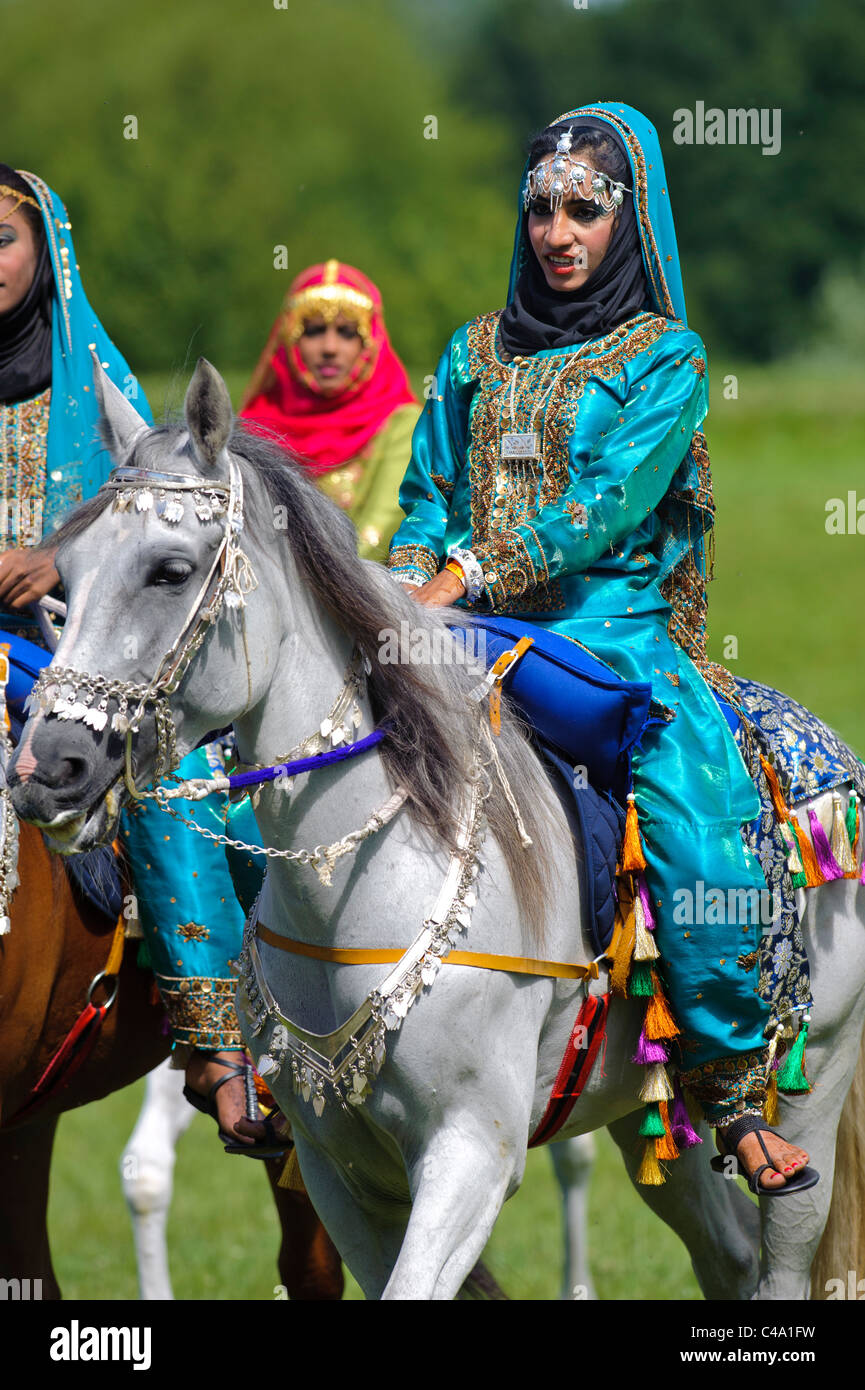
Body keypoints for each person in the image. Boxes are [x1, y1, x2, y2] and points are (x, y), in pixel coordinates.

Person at [386, 105, 812, 1194]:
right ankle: (260, 1038)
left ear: (628, 219)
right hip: (458, 625)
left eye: (584, 207)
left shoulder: (666, 358)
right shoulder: (471, 350)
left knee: (685, 796)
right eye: (540, 208)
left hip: (607, 637)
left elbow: (608, 504)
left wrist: (469, 573)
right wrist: (405, 573)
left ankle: (727, 1084)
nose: (557, 231)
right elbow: (429, 489)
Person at [0, 167, 275, 1153]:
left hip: (64, 641)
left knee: (167, 773)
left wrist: (49, 552)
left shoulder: (93, 370)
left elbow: (149, 499)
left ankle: (214, 1041)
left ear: (44, 252)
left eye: (0, 240)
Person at [241, 259, 419, 563]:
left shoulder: (401, 425)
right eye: (313, 331)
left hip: (360, 598)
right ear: (290, 339)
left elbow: (372, 543)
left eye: (348, 333)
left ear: (371, 343)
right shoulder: (254, 428)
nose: (330, 348)